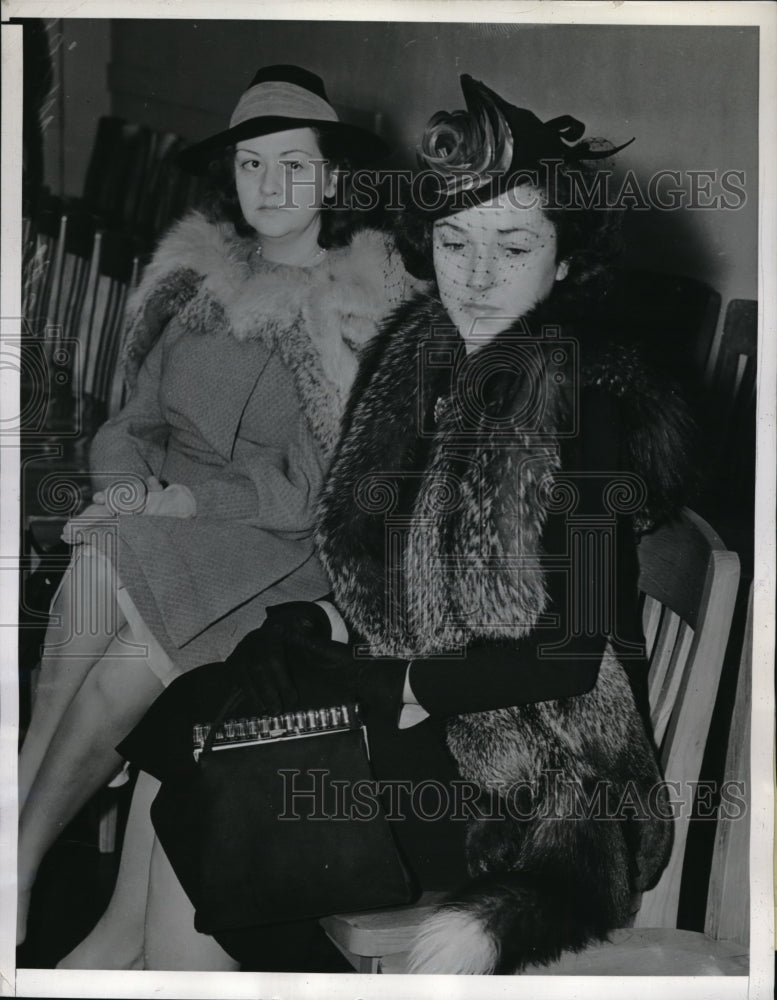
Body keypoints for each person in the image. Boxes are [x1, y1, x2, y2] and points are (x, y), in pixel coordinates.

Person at [119, 74, 695, 974]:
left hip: (536, 766)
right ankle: (169, 965)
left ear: (566, 262)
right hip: (438, 704)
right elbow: (380, 552)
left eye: (511, 248)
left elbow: (572, 649)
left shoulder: (581, 406)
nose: (473, 274)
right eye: (455, 241)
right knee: (196, 712)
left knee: (241, 788)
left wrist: (405, 690)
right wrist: (344, 636)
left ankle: (272, 974)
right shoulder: (421, 355)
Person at [18, 63, 419, 955]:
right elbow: (132, 420)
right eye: (249, 166)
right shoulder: (198, 283)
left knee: (127, 650)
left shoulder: (362, 307)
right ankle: (22, 815)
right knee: (103, 554)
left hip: (281, 544)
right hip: (165, 524)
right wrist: (129, 491)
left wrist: (181, 499)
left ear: (333, 177)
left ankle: (21, 860)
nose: (269, 187)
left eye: (292, 165)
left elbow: (315, 485)